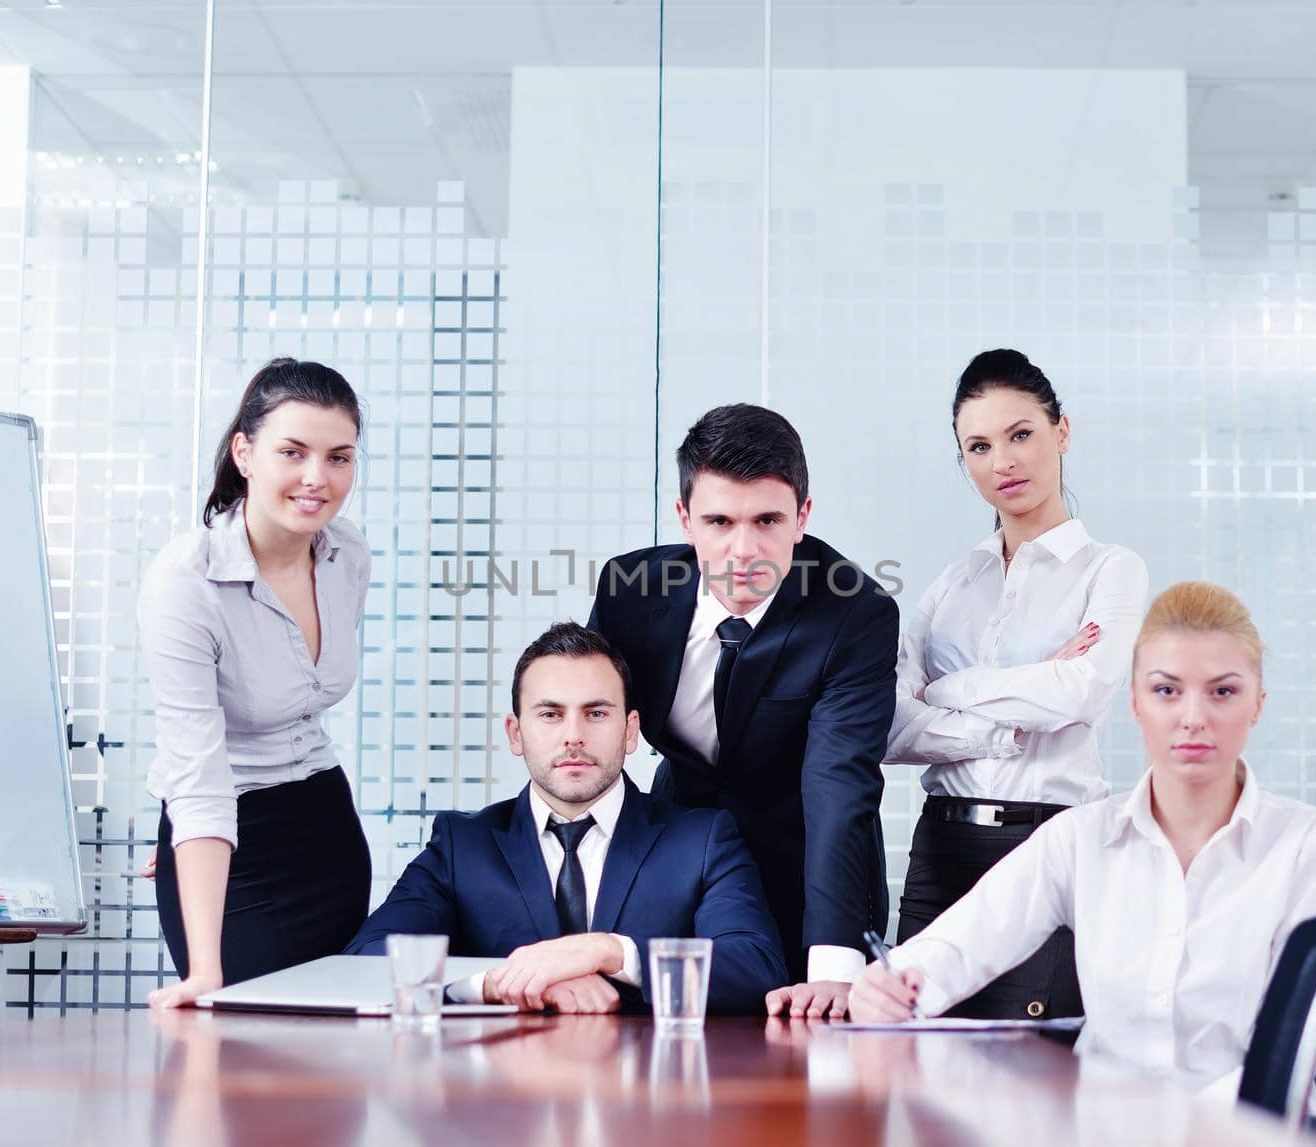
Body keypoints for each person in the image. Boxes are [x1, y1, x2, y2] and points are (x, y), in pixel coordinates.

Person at [851, 581, 1316, 1090]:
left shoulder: (1306, 843)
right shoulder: (1080, 838)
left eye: (1223, 691)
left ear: (1258, 705)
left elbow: (1301, 1037)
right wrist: (887, 987)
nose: (1194, 717)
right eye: (1166, 690)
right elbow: (960, 945)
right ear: (1135, 704)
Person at [588, 403, 899, 1018]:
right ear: (685, 519)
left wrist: (835, 966)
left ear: (803, 516)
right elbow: (593, 734)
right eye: (720, 521)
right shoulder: (629, 591)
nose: (744, 549)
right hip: (676, 845)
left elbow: (838, 787)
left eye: (767, 520)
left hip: (805, 862)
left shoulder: (853, 614)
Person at [883, 348, 1149, 1018]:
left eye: (1020, 434)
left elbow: (1079, 692)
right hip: (941, 850)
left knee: (1032, 1088)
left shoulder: (1111, 570)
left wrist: (946, 691)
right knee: (914, 1070)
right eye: (978, 445)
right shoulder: (951, 585)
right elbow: (889, 726)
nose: (1002, 461)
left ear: (1062, 431)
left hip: (1051, 843)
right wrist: (1017, 704)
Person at [345, 622, 788, 1015]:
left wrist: (610, 953)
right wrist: (496, 985)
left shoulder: (703, 838)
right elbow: (366, 961)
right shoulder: (463, 844)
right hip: (504, 1092)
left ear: (631, 730)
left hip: (649, 1093)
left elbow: (755, 966)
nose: (573, 736)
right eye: (550, 714)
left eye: (596, 713)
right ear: (516, 734)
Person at [140, 358, 372, 1007]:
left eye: (339, 457)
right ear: (244, 451)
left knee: (333, 1065)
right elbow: (199, 773)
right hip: (233, 839)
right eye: (292, 452)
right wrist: (204, 969)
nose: (316, 478)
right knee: (246, 1042)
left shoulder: (346, 554)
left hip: (325, 827)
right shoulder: (186, 584)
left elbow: (303, 708)